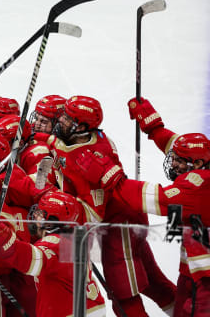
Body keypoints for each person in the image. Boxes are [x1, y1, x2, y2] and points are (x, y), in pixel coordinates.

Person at [47, 95, 176, 316]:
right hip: (120, 221)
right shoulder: (72, 139)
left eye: (69, 119)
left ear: (83, 127)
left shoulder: (92, 156)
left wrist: (59, 211)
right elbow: (53, 146)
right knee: (152, 281)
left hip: (120, 225)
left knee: (122, 294)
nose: (62, 121)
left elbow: (93, 213)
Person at [77, 131, 210, 317]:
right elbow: (173, 142)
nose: (173, 164)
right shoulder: (202, 163)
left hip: (205, 282)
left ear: (197, 164)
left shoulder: (200, 185)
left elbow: (156, 199)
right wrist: (154, 125)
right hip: (192, 274)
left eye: (179, 161)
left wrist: (111, 178)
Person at [0, 190, 106, 317]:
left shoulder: (53, 243)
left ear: (51, 221)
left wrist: (6, 241)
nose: (35, 215)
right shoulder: (76, 239)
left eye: (40, 213)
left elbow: (31, 261)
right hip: (92, 307)